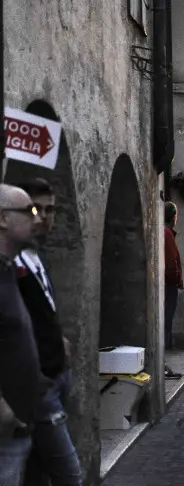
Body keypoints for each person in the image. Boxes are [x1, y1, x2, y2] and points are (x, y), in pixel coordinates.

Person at [13, 180, 82, 485]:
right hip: (36, 383)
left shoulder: (36, 255)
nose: (42, 216)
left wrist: (59, 339)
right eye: (35, 209)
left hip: (57, 375)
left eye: (50, 209)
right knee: (69, 474)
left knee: (39, 470)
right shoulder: (11, 260)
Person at [0, 184, 46, 486]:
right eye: (29, 211)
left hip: (20, 428)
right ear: (3, 219)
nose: (38, 218)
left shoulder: (8, 269)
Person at [163, 202, 183, 381]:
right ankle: (161, 365)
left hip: (167, 285)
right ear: (173, 216)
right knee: (165, 323)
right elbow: (170, 264)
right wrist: (176, 279)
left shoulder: (166, 233)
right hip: (168, 286)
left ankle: (162, 364)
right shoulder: (167, 234)